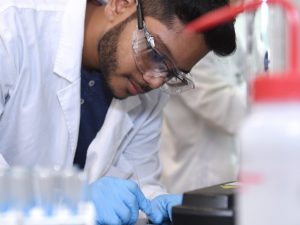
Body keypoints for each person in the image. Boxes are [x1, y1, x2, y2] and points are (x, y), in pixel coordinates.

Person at [0, 0, 236, 224]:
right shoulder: (11, 28)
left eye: (172, 74)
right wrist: (69, 202)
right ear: (120, 5)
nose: (155, 82)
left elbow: (138, 183)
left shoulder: (149, 90)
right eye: (155, 54)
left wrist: (156, 204)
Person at [159, 35, 247, 194]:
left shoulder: (233, 42)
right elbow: (222, 107)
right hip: (193, 175)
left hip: (223, 169)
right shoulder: (193, 45)